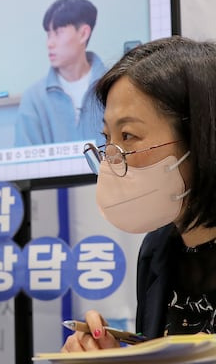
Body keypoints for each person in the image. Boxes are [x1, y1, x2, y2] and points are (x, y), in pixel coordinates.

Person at [62, 36, 216, 352]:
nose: (110, 160)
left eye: (128, 136)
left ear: (199, 138)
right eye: (107, 138)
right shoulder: (157, 249)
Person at [14, 0, 106, 147]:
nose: (49, 43)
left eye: (58, 32)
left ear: (83, 34)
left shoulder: (113, 86)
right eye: (48, 34)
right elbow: (25, 155)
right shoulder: (34, 98)